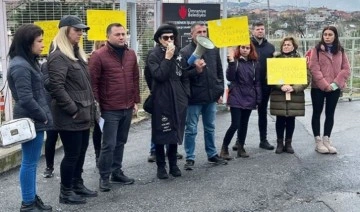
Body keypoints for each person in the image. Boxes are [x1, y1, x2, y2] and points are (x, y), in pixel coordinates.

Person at [47, 15, 98, 204]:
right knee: (71, 155)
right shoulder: (58, 56)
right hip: (71, 116)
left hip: (83, 114)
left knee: (81, 152)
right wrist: (73, 110)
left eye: (82, 30)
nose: (81, 33)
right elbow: (56, 87)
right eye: (77, 30)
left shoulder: (76, 54)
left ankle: (77, 184)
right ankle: (65, 192)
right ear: (65, 31)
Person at [7, 24, 53, 211]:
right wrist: (43, 116)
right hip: (32, 120)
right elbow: (26, 98)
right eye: (39, 41)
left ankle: (32, 198)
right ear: (27, 43)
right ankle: (27, 203)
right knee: (29, 162)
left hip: (34, 119)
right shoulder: (20, 66)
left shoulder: (28, 62)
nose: (43, 44)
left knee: (32, 162)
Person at [89, 23, 140, 191]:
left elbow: (135, 79)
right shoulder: (99, 55)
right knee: (108, 144)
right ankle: (104, 176)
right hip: (109, 108)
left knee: (121, 142)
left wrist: (135, 101)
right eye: (117, 34)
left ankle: (116, 171)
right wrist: (98, 107)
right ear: (108, 36)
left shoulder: (131, 54)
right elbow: (93, 83)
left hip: (126, 106)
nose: (121, 37)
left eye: (123, 34)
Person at [180, 22, 227, 171]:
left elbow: (219, 71)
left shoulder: (213, 49)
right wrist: (196, 71)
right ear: (192, 34)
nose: (202, 34)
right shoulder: (185, 52)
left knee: (210, 127)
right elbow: (182, 75)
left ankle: (212, 154)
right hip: (194, 97)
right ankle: (190, 157)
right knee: (191, 128)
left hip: (210, 96)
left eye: (204, 31)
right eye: (199, 32)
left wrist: (219, 91)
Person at [146, 23, 189, 179]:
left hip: (178, 97)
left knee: (174, 131)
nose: (169, 40)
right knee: (161, 131)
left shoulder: (179, 53)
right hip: (162, 98)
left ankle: (173, 165)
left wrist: (186, 94)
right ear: (159, 39)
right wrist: (167, 58)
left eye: (172, 37)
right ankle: (161, 167)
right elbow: (158, 75)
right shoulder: (154, 55)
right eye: (166, 38)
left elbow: (184, 75)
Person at [233, 22, 275, 151]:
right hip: (247, 86)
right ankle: (239, 141)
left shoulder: (271, 47)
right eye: (258, 29)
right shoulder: (247, 45)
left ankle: (263, 140)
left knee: (263, 113)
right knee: (243, 114)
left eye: (262, 29)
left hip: (264, 85)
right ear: (252, 31)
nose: (260, 31)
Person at [309, 26, 350, 154]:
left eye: (330, 34)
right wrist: (325, 84)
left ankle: (327, 138)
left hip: (335, 87)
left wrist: (335, 83)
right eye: (325, 34)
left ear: (335, 36)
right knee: (317, 112)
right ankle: (318, 141)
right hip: (318, 87)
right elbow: (314, 68)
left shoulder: (340, 51)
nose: (327, 37)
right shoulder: (316, 50)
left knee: (330, 113)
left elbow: (346, 69)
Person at [219, 43, 262, 160]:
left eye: (247, 48)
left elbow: (257, 82)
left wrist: (258, 99)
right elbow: (230, 77)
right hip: (236, 96)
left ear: (251, 50)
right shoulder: (235, 62)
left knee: (244, 124)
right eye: (242, 47)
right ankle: (224, 148)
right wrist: (231, 62)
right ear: (239, 49)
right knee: (235, 124)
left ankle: (241, 147)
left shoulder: (254, 64)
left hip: (249, 96)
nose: (245, 50)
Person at [269, 37, 310, 154]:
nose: (286, 46)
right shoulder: (275, 60)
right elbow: (270, 77)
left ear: (294, 46)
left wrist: (294, 88)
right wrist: (280, 86)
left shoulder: (300, 60)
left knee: (291, 119)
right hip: (279, 94)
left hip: (294, 95)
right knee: (280, 119)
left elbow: (307, 78)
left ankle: (288, 143)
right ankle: (279, 143)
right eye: (284, 45)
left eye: (289, 45)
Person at [41, 60, 61, 178]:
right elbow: (47, 85)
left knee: (70, 140)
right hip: (52, 108)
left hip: (66, 108)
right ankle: (49, 167)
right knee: (51, 138)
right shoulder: (46, 65)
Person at [90, 40, 106, 167]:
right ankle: (98, 154)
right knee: (98, 129)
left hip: (110, 99)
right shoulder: (93, 58)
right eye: (102, 45)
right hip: (98, 100)